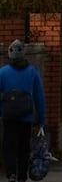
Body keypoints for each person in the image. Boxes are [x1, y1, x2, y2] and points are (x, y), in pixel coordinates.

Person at [0, 40, 47, 182]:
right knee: (23, 148)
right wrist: (41, 118)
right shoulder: (32, 71)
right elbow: (39, 97)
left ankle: (11, 173)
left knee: (9, 146)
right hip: (26, 118)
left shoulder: (2, 72)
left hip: (8, 117)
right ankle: (22, 176)